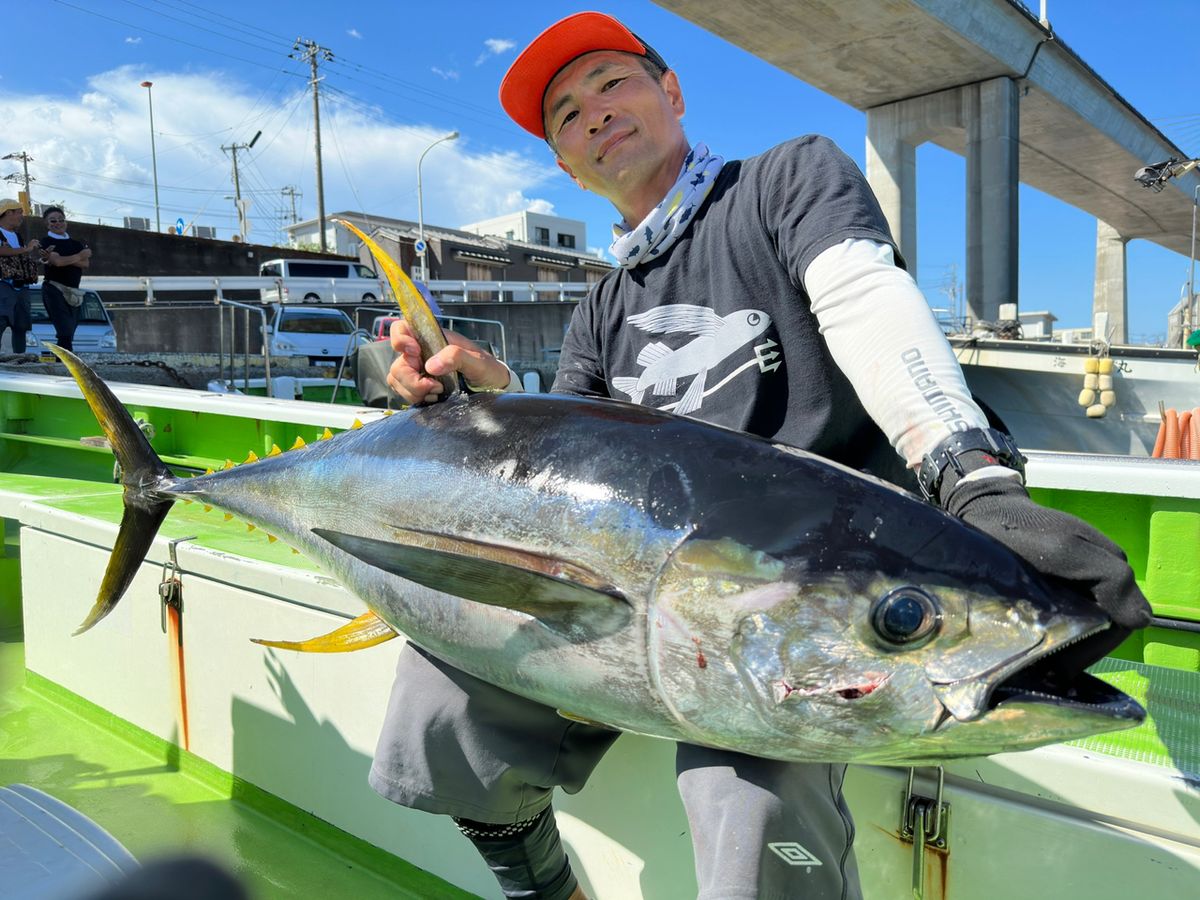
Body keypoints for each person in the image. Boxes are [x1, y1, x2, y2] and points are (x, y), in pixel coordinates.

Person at [375, 13, 1152, 899]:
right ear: (564, 164)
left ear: (670, 92)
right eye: (565, 115)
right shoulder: (602, 305)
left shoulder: (786, 180)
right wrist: (496, 396)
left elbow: (866, 296)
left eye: (610, 83)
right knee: (439, 696)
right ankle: (544, 888)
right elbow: (577, 452)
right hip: (636, 604)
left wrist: (966, 471)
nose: (591, 114)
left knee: (749, 787)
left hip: (802, 615)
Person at [41, 206, 92, 353]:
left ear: (66, 222)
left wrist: (64, 259)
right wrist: (81, 255)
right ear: (47, 224)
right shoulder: (46, 241)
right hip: (54, 289)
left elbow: (85, 264)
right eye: (53, 221)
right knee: (64, 329)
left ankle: (61, 360)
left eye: (61, 220)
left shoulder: (76, 243)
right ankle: (65, 362)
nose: (58, 223)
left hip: (74, 291)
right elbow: (57, 262)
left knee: (70, 330)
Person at [0, 199, 40, 354]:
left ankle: (19, 360)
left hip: (21, 286)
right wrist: (26, 249)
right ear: (8, 212)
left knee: (21, 325)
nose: (21, 217)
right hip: (3, 284)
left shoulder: (18, 236)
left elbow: (20, 259)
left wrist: (39, 260)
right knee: (1, 321)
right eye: (19, 212)